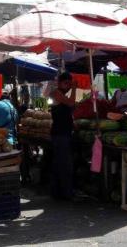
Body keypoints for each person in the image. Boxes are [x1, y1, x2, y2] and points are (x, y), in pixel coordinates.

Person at [49, 72, 77, 200]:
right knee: (64, 164)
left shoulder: (62, 93)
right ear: (60, 83)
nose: (68, 86)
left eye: (69, 84)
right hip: (60, 134)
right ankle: (64, 193)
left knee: (63, 163)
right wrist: (75, 88)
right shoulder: (56, 93)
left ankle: (61, 192)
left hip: (64, 133)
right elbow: (71, 103)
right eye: (66, 83)